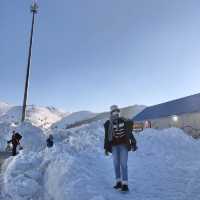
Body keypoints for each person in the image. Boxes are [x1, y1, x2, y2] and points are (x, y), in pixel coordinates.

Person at [104, 105, 137, 192]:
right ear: (111, 113)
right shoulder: (109, 124)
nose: (116, 113)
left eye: (117, 111)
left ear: (119, 112)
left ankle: (125, 184)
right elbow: (106, 137)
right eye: (114, 112)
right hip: (114, 146)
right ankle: (118, 182)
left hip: (123, 145)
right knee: (116, 164)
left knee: (123, 164)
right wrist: (106, 148)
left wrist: (133, 143)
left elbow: (129, 132)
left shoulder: (124, 121)